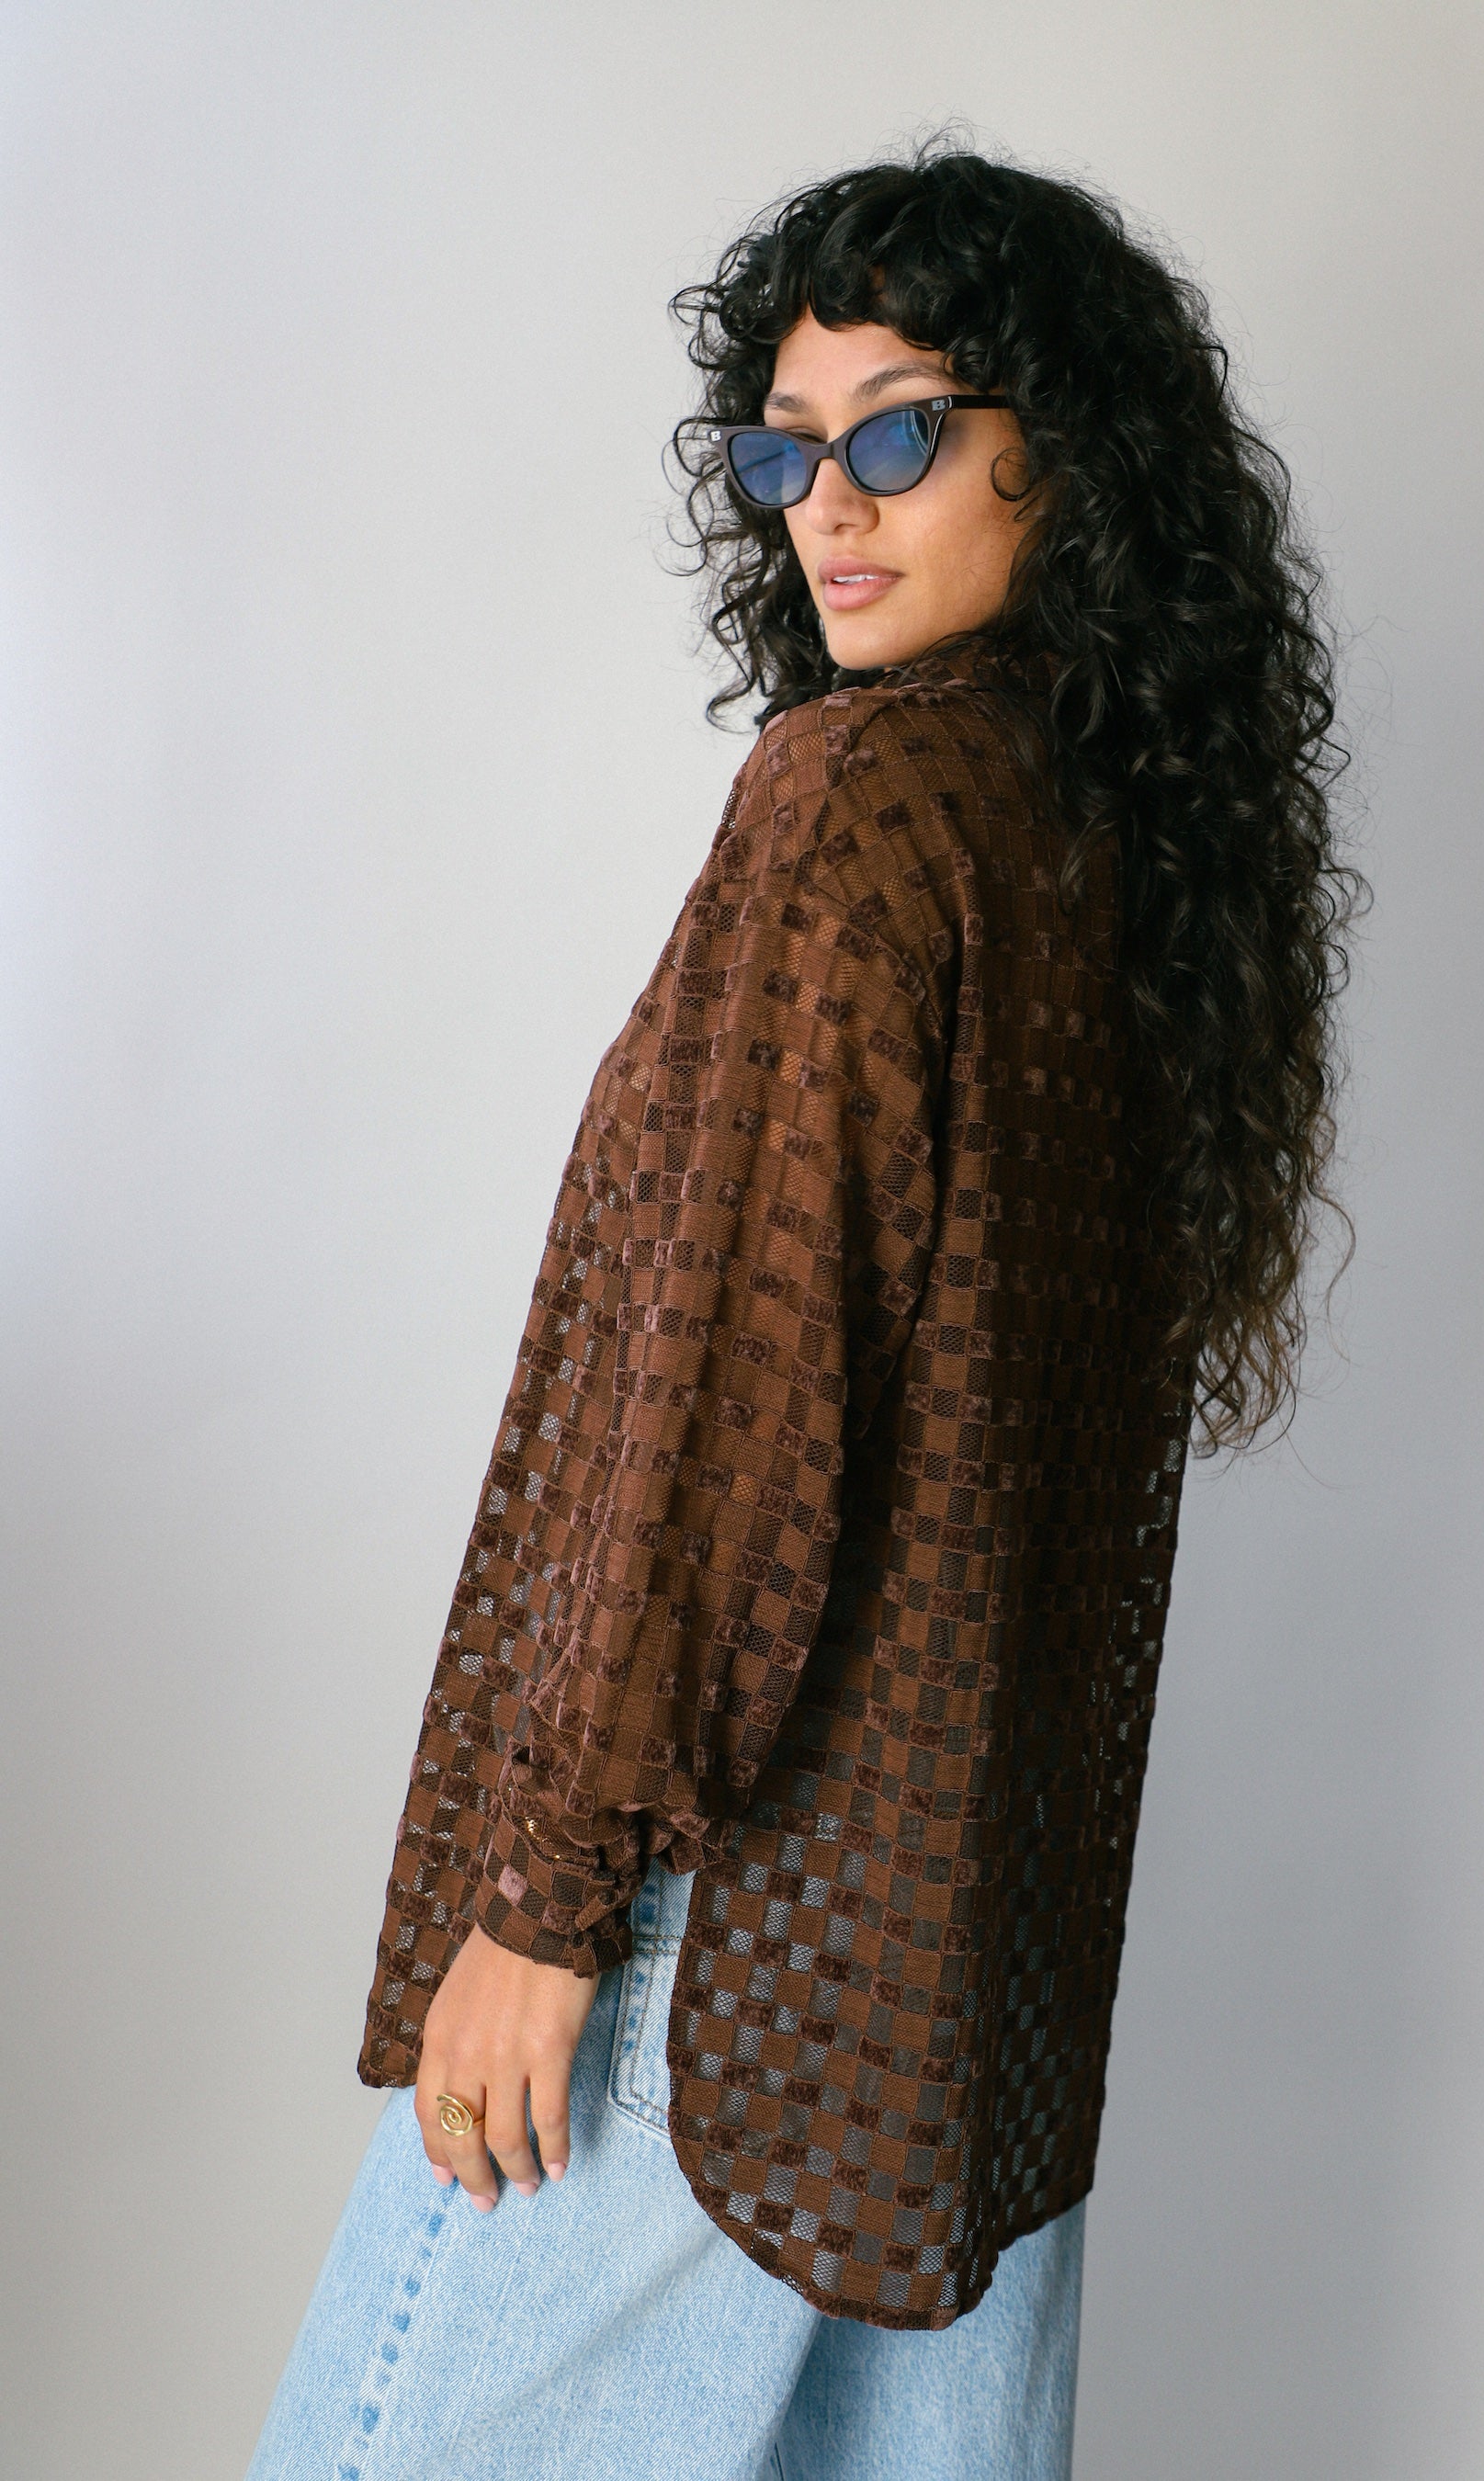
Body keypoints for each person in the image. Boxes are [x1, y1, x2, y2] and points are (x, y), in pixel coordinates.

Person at [247, 143, 1359, 2481]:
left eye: (901, 431)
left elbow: (726, 1407)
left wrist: (548, 1902)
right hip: (957, 1979)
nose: (826, 507)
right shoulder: (1108, 846)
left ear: (1065, 451)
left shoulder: (863, 805)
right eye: (784, 452)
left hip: (719, 1937)